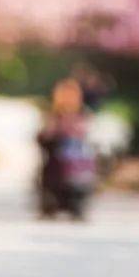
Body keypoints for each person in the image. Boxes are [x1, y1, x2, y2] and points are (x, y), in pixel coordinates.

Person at [36, 79, 97, 219]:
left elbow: (88, 132)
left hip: (77, 157)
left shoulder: (83, 114)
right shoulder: (53, 114)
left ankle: (76, 202)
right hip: (56, 155)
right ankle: (52, 202)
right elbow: (44, 135)